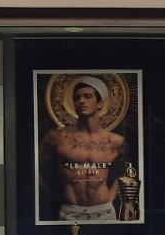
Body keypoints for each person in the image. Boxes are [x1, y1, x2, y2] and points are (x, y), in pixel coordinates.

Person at [39, 76, 138, 222]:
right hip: (70, 212)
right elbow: (37, 170)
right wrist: (53, 198)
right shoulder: (57, 137)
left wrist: (110, 198)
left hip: (104, 211)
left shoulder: (116, 141)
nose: (81, 101)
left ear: (100, 104)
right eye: (77, 98)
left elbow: (127, 172)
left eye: (87, 96)